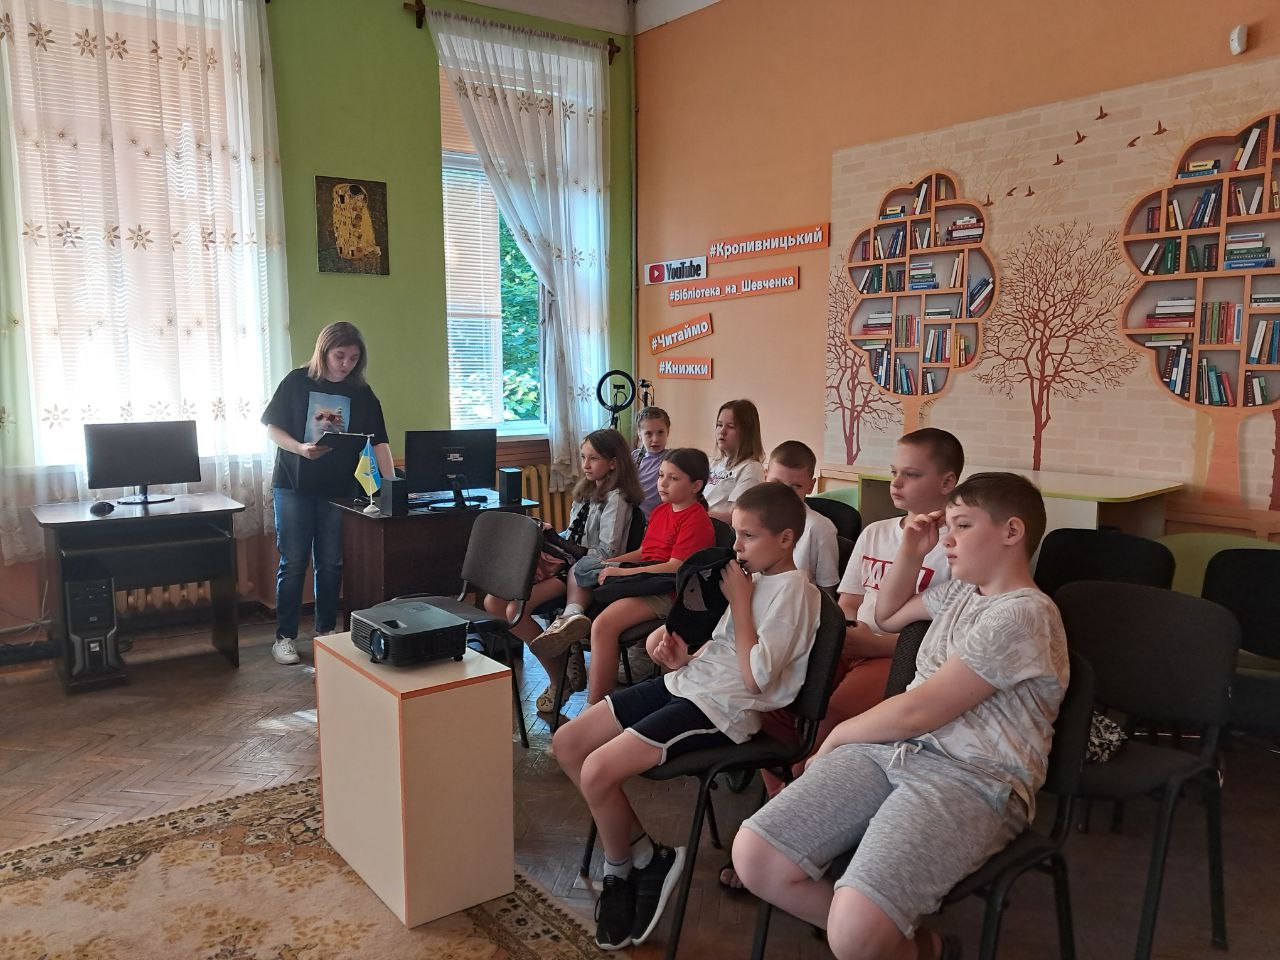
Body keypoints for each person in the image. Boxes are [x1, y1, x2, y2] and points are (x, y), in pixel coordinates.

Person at [732, 472, 1069, 960]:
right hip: (893, 752)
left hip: (973, 777)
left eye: (962, 525)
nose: (948, 539)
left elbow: (919, 711)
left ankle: (905, 945)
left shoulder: (1024, 614)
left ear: (1011, 532)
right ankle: (891, 941)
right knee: (756, 857)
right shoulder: (960, 592)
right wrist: (911, 551)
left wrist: (836, 739)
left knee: (853, 934)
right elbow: (887, 616)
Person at [552, 482, 822, 950]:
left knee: (596, 770)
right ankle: (646, 854)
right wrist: (683, 658)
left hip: (724, 708)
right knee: (568, 743)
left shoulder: (796, 591)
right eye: (736, 535)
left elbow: (755, 679)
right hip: (690, 684)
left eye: (748, 536)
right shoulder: (753, 579)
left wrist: (740, 603)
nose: (737, 547)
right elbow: (723, 649)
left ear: (785, 539)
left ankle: (619, 870)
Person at [533, 448, 715, 704]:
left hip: (670, 591)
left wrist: (621, 571)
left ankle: (596, 705)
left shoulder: (696, 520)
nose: (662, 483)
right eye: (661, 475)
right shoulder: (662, 510)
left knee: (603, 625)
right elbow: (645, 552)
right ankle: (571, 620)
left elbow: (675, 567)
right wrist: (609, 563)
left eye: (673, 478)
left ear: (696, 485)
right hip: (646, 581)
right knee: (584, 568)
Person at [262, 321, 394, 665]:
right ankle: (285, 637)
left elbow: (379, 442)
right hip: (293, 485)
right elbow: (272, 428)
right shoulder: (296, 381)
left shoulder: (362, 393)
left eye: (353, 358)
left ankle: (325, 632)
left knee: (331, 562)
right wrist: (300, 448)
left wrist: (393, 485)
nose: (346, 364)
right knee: (293, 562)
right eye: (340, 356)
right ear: (324, 352)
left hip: (338, 489)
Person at [483, 429, 642, 713]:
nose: (585, 465)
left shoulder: (617, 497)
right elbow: (573, 534)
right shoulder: (585, 491)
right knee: (493, 602)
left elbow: (607, 551)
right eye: (583, 457)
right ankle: (564, 652)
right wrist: (552, 535)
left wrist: (563, 547)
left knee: (515, 610)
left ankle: (558, 679)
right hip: (569, 561)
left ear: (613, 463)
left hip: (587, 570)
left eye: (593, 458)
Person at [762, 440, 839, 595]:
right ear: (765, 476)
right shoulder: (752, 518)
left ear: (811, 486)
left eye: (796, 486)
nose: (784, 494)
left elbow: (827, 590)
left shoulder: (820, 528)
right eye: (776, 483)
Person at [704, 399, 765, 524]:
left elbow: (735, 516)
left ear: (746, 432)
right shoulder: (714, 463)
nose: (722, 431)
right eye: (719, 425)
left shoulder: (751, 468)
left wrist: (695, 513)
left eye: (731, 426)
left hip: (718, 530)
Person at [631, 406, 671, 518]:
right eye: (648, 433)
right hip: (632, 518)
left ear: (668, 432)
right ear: (639, 434)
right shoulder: (634, 457)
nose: (655, 439)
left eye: (660, 432)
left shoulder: (672, 459)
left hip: (657, 520)